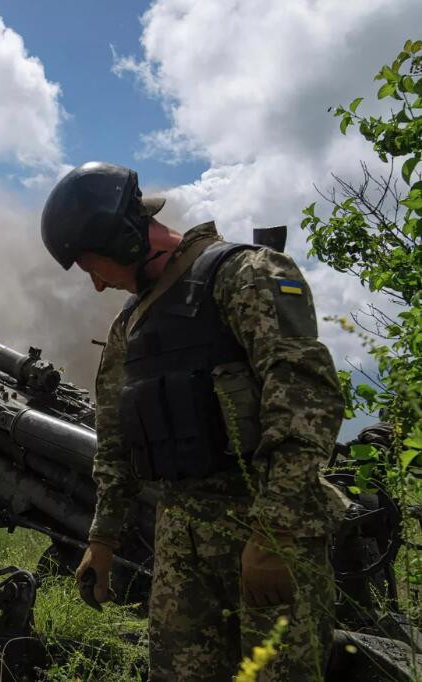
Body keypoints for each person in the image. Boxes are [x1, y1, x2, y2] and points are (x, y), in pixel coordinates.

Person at [41, 162, 344, 681]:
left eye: (94, 267)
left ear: (125, 238)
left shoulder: (245, 275)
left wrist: (278, 534)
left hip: (265, 530)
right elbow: (114, 440)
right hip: (181, 540)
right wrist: (103, 539)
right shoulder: (130, 326)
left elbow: (303, 400)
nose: (95, 286)